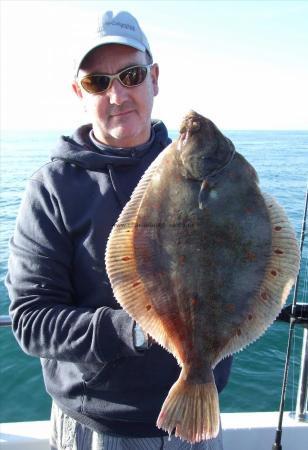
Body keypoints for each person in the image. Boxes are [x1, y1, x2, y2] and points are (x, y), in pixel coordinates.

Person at [6, 10, 232, 450]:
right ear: (79, 92)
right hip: (99, 428)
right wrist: (135, 329)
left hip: (202, 417)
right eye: (98, 82)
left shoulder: (204, 171)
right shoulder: (52, 188)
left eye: (130, 75)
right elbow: (31, 322)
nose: (117, 95)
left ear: (155, 78)